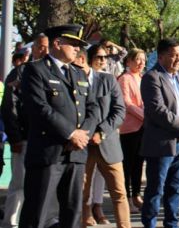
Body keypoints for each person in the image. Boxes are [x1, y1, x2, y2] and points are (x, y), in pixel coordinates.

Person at [19, 24, 99, 228]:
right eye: (73, 44)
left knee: (72, 213)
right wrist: (70, 133)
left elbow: (93, 108)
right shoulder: (35, 70)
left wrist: (83, 135)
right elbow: (39, 108)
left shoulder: (79, 74)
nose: (77, 49)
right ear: (57, 43)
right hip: (48, 152)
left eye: (79, 46)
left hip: (76, 154)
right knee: (38, 212)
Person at [140, 38, 179, 228]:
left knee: (175, 188)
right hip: (162, 144)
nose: (177, 59)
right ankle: (149, 224)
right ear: (160, 56)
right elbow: (157, 110)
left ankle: (171, 224)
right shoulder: (152, 77)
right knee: (155, 190)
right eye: (172, 55)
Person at [77, 45, 130, 228]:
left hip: (108, 144)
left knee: (119, 192)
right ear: (87, 59)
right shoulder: (74, 79)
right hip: (82, 145)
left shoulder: (108, 80)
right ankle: (85, 220)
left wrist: (102, 132)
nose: (103, 60)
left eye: (105, 57)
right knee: (82, 192)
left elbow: (119, 111)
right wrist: (85, 134)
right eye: (99, 57)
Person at [1, 34, 48, 228]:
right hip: (24, 138)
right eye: (40, 47)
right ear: (34, 49)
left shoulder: (52, 73)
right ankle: (11, 222)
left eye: (47, 47)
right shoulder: (20, 71)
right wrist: (15, 137)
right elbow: (9, 106)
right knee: (19, 185)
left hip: (45, 140)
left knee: (42, 186)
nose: (44, 50)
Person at [117, 48, 147, 214]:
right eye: (137, 59)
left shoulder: (142, 77)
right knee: (127, 164)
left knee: (139, 164)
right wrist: (144, 116)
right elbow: (126, 102)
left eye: (143, 59)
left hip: (143, 127)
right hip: (130, 127)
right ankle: (127, 197)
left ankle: (136, 194)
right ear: (128, 61)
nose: (141, 63)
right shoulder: (125, 78)